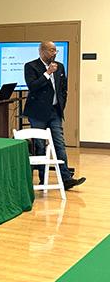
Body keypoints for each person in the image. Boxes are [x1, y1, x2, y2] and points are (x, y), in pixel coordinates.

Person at [23, 41, 85, 190]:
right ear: (42, 51)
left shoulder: (60, 66)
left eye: (55, 51)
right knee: (40, 146)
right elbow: (33, 86)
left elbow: (63, 88)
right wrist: (47, 73)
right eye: (51, 50)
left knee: (59, 143)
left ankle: (66, 179)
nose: (54, 53)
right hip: (37, 113)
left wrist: (60, 106)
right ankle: (42, 180)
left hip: (54, 111)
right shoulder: (31, 66)